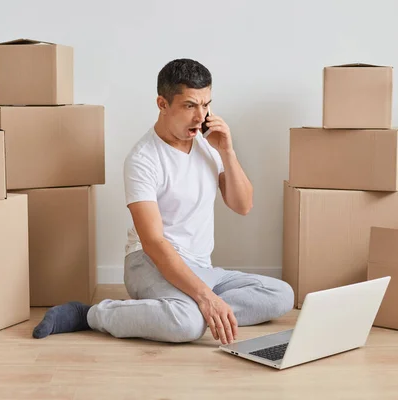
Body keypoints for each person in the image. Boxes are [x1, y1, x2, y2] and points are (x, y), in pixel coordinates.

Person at [32, 58, 294, 345]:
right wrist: (206, 298)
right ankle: (92, 314)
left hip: (200, 267)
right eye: (190, 105)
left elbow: (243, 205)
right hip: (148, 263)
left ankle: (189, 308)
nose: (200, 116)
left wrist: (228, 151)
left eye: (206, 105)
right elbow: (154, 244)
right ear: (162, 103)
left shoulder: (210, 145)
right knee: (187, 324)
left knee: (281, 296)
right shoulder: (143, 159)